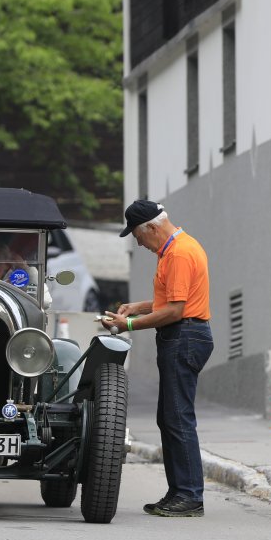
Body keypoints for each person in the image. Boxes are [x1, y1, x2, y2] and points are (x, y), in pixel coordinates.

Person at [105, 199, 213, 518]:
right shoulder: (175, 249)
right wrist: (136, 308)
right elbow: (171, 300)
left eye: (138, 236)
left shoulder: (178, 253)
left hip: (184, 335)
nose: (139, 243)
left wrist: (127, 325)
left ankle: (189, 495)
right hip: (184, 335)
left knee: (177, 417)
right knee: (169, 418)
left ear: (152, 227)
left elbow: (175, 311)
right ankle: (179, 491)